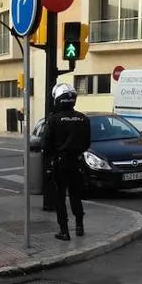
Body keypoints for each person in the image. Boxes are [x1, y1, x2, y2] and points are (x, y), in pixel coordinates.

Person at [42, 83, 91, 241]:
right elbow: (87, 143)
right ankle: (79, 226)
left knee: (60, 198)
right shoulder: (83, 119)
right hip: (77, 163)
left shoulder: (53, 119)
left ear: (57, 99)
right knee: (76, 196)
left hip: (60, 164)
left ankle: (64, 231)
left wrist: (49, 162)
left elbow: (46, 144)